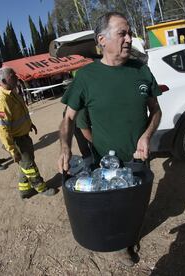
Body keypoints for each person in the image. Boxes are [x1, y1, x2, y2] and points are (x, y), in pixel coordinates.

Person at [58, 11, 162, 266]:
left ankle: (130, 234)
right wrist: (64, 147)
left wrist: (147, 136)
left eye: (129, 33)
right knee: (115, 210)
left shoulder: (141, 71)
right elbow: (69, 119)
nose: (129, 39)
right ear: (102, 40)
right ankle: (121, 243)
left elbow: (156, 111)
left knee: (136, 206)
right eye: (122, 33)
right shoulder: (86, 77)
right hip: (107, 164)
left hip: (139, 159)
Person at [0, 67, 56, 199]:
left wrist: (29, 124)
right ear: (4, 81)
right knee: (29, 165)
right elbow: (2, 130)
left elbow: (20, 113)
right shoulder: (2, 101)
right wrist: (12, 150)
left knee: (25, 165)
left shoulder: (12, 92)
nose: (16, 77)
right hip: (17, 141)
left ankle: (24, 190)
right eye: (12, 76)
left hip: (24, 136)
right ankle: (41, 188)